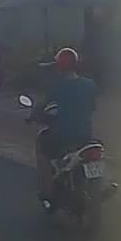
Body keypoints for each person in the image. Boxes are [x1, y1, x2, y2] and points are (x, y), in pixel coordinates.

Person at [34, 47, 98, 208]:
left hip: (62, 137)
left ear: (59, 67)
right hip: (85, 136)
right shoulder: (89, 84)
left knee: (41, 145)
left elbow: (43, 106)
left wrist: (35, 114)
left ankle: (47, 191)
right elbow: (91, 108)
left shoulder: (56, 86)